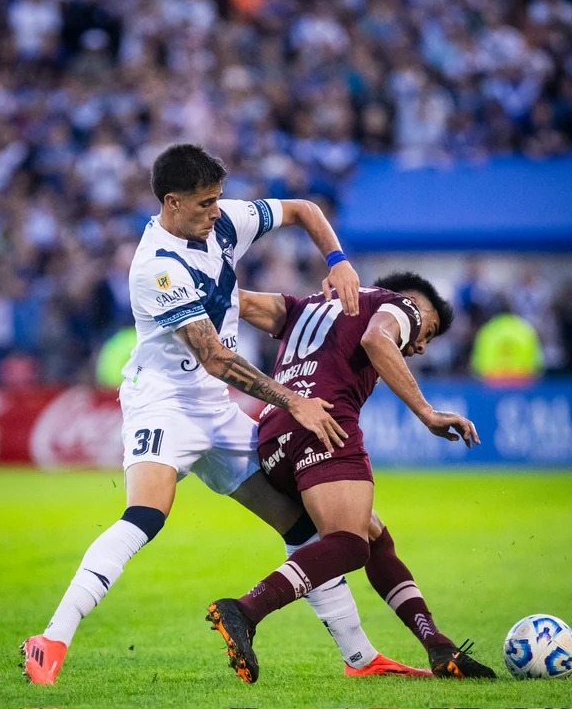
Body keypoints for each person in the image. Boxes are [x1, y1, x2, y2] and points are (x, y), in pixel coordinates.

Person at [21, 144, 420, 684]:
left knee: (299, 523)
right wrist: (293, 400)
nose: (217, 213)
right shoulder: (156, 267)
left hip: (216, 409)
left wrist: (338, 260)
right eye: (206, 204)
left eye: (219, 200)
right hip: (163, 404)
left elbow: (304, 208)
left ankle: (360, 658)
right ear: (172, 202)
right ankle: (50, 640)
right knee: (146, 516)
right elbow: (213, 357)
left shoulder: (223, 221)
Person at [207, 272, 497, 682]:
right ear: (418, 303)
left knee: (374, 538)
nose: (418, 345)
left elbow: (239, 301)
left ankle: (438, 646)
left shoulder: (309, 303)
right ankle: (245, 609)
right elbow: (377, 340)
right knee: (349, 545)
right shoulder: (402, 305)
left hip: (273, 435)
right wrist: (428, 413)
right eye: (427, 333)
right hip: (324, 423)